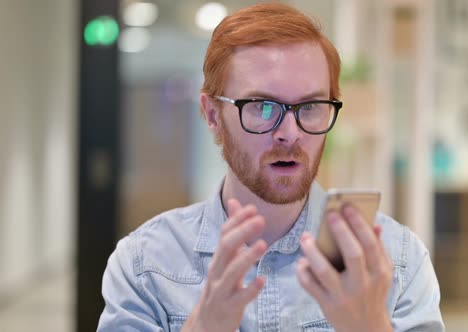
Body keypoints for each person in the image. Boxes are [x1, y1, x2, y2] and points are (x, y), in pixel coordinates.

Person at [97, 2, 444, 331]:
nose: (289, 134)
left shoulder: (395, 262)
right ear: (213, 115)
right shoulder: (146, 266)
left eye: (310, 106)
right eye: (263, 106)